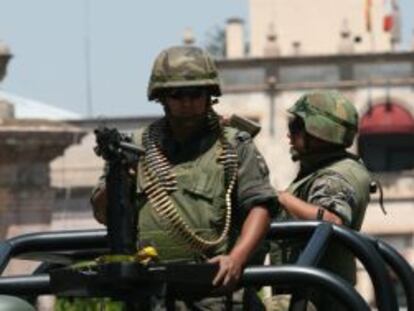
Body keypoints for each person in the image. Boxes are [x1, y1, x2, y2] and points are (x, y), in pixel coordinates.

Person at [91, 45, 278, 310]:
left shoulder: (234, 144)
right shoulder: (133, 147)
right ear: (162, 98)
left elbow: (260, 207)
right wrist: (118, 179)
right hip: (150, 294)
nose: (187, 103)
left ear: (210, 95)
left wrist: (236, 258)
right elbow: (102, 214)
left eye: (196, 93)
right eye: (177, 94)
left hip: (216, 292)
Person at [271, 90, 373, 311]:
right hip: (312, 294)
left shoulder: (334, 176)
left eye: (296, 126)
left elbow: (331, 221)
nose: (289, 135)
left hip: (319, 299)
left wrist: (282, 198)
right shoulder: (323, 168)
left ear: (319, 132)